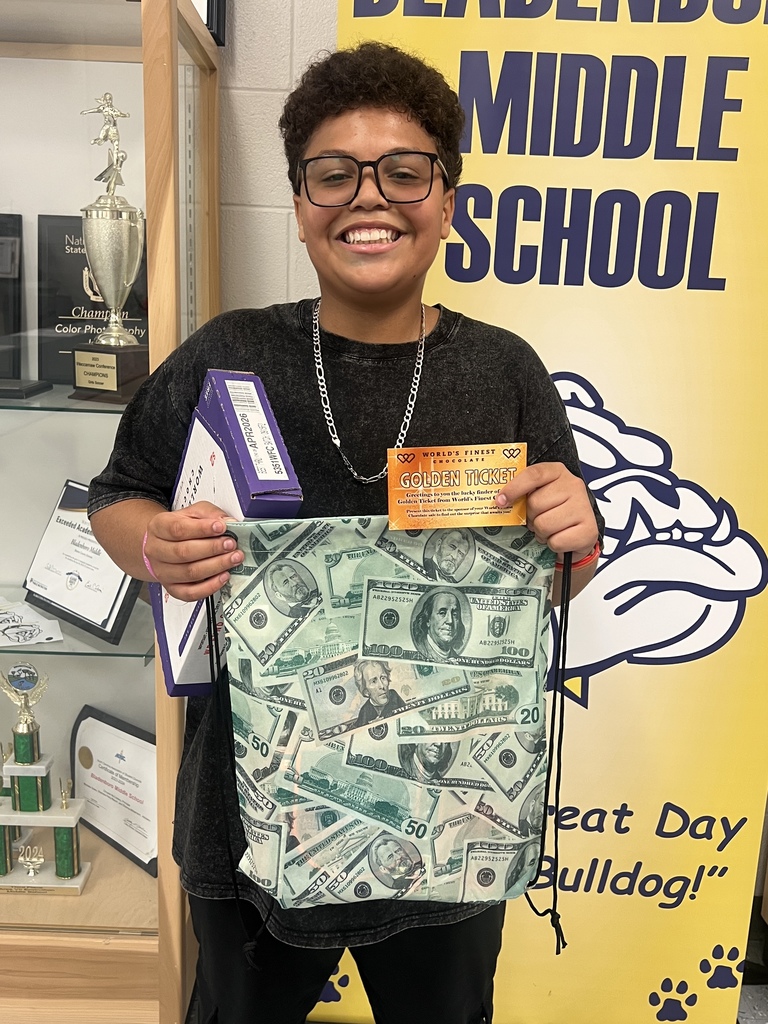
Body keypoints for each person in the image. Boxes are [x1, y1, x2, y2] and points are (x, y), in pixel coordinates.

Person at [88, 41, 602, 1024]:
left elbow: (555, 576)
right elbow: (117, 495)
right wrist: (155, 546)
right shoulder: (227, 355)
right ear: (299, 202)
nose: (370, 198)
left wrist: (579, 536)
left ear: (446, 201)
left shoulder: (505, 372)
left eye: (405, 172)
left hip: (449, 815)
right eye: (334, 174)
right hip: (247, 811)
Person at [412, 588, 466, 662]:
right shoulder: (420, 650)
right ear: (428, 619)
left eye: (455, 614)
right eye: (442, 613)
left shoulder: (457, 658)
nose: (450, 621)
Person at [353, 659, 404, 727]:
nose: (382, 686)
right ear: (366, 691)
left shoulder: (394, 697)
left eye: (383, 678)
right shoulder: (364, 711)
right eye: (373, 681)